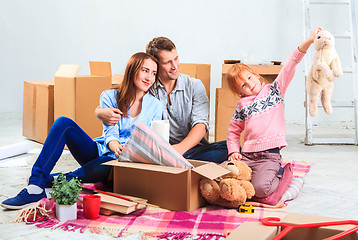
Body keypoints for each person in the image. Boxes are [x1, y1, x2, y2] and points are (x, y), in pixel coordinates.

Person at [1, 52, 163, 209]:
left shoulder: (156, 105)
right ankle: (35, 186)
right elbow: (110, 134)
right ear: (132, 70)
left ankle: (61, 179)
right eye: (145, 70)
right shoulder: (110, 96)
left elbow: (150, 140)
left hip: (124, 165)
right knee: (63, 123)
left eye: (154, 73)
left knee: (107, 163)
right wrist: (116, 148)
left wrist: (127, 153)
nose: (149, 77)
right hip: (102, 151)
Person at [96, 37, 228, 164]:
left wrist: (179, 150)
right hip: (159, 152)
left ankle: (180, 164)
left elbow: (201, 124)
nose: (175, 66)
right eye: (167, 62)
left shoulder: (194, 86)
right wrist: (100, 112)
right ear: (156, 65)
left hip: (190, 149)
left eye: (176, 59)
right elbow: (121, 93)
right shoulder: (146, 85)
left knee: (228, 147)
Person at [226, 27, 322, 199]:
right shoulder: (242, 105)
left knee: (260, 190)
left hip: (269, 156)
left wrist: (308, 41)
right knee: (223, 173)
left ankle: (283, 174)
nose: (249, 84)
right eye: (243, 86)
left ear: (255, 74)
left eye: (249, 78)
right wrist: (233, 151)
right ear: (239, 93)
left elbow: (290, 65)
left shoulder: (274, 91)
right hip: (247, 155)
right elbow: (233, 131)